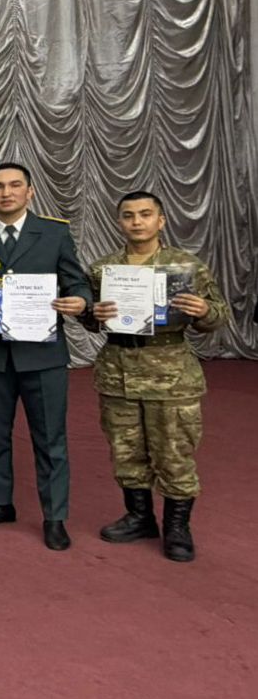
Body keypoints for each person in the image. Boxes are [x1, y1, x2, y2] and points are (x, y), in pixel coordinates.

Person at [80, 191, 230, 562]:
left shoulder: (186, 266)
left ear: (161, 221)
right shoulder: (104, 269)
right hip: (119, 370)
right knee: (126, 450)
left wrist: (204, 310)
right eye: (128, 215)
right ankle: (139, 516)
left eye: (146, 214)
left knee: (174, 452)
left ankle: (177, 527)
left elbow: (219, 315)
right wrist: (92, 313)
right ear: (120, 222)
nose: (137, 221)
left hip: (170, 374)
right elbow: (90, 320)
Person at [0, 163, 92, 551]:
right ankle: (0, 503)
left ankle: (55, 516)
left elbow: (76, 279)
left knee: (50, 439)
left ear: (30, 192)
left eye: (15, 185)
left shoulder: (54, 232)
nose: (6, 192)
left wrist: (81, 300)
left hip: (43, 355)